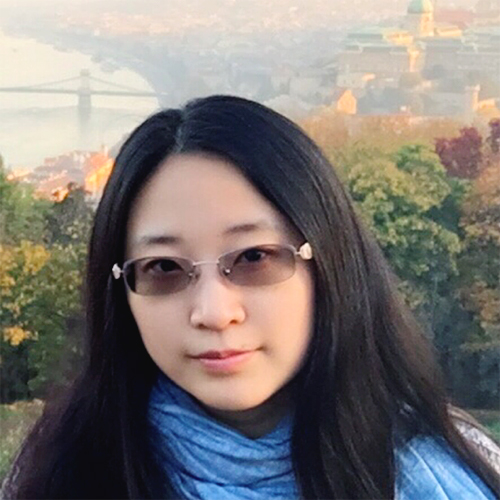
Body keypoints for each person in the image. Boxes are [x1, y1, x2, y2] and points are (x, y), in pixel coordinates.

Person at [3, 95, 499, 500]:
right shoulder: (60, 473)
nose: (214, 313)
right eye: (164, 268)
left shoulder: (445, 473)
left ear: (330, 263)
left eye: (254, 258)